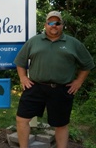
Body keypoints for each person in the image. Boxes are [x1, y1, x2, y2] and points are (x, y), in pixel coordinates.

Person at [14, 11, 95, 148]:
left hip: (61, 89)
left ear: (62, 25)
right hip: (35, 87)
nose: (54, 26)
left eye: (57, 23)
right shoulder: (34, 41)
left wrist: (78, 81)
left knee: (61, 124)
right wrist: (23, 77)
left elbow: (87, 64)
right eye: (50, 22)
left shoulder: (73, 43)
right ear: (45, 24)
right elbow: (20, 61)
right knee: (21, 119)